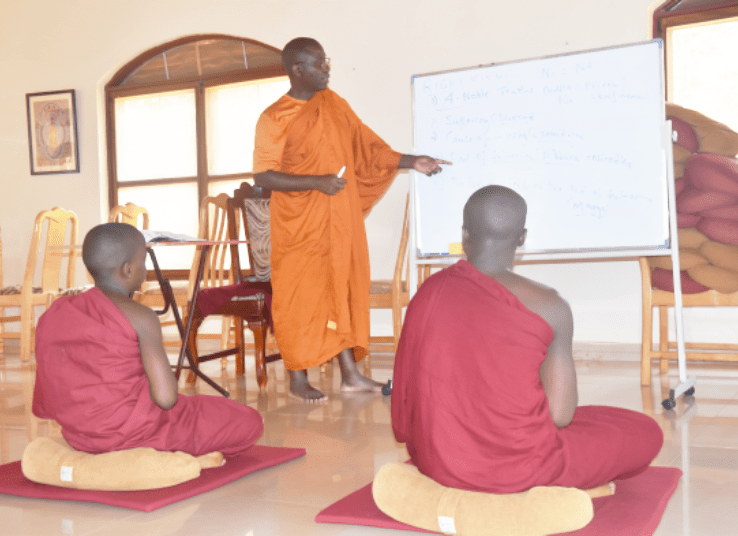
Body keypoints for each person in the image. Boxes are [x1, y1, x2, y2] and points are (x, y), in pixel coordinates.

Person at [391, 185, 663, 493]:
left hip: (437, 460)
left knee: (598, 418)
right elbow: (560, 416)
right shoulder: (548, 305)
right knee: (644, 431)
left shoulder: (428, 293)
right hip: (518, 468)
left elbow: (404, 405)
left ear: (465, 234)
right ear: (522, 237)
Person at [252, 37, 450, 402]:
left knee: (339, 289)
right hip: (299, 225)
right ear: (297, 70)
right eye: (318, 64)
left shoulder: (334, 104)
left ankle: (351, 376)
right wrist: (317, 182)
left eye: (326, 61)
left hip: (338, 218)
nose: (326, 69)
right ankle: (298, 378)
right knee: (300, 296)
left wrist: (411, 161)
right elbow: (263, 176)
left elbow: (365, 146)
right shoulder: (273, 117)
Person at [32, 223, 264, 457]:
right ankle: (151, 457)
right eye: (143, 262)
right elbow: (166, 399)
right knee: (249, 421)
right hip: (139, 432)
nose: (145, 269)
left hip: (80, 436)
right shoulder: (140, 316)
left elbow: (49, 390)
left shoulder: (55, 312)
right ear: (128, 269)